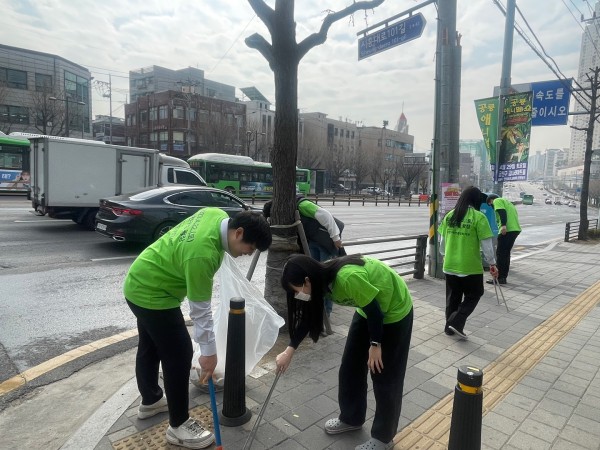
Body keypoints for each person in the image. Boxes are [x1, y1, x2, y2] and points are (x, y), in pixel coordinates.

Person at [123, 208, 271, 449]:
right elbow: (200, 311)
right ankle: (179, 426)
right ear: (239, 233)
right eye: (250, 248)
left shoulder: (215, 214)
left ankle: (151, 401)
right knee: (179, 355)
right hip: (154, 293)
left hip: (140, 278)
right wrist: (209, 354)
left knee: (150, 346)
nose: (248, 254)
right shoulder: (203, 255)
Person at [276, 254, 413, 450]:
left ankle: (384, 437)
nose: (298, 295)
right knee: (350, 367)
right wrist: (289, 351)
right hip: (367, 310)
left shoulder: (347, 278)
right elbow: (308, 318)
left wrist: (375, 345)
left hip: (394, 311)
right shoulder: (319, 282)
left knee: (385, 375)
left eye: (296, 290)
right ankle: (351, 418)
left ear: (307, 280)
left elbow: (376, 311)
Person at [263, 195, 344, 317]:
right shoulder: (292, 210)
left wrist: (336, 238)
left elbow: (325, 215)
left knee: (325, 278)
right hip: (313, 241)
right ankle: (316, 310)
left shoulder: (302, 205)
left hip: (326, 241)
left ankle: (326, 313)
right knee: (313, 276)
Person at [439, 186, 498, 339]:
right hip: (470, 266)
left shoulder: (450, 215)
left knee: (453, 297)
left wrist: (445, 256)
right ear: (476, 200)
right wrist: (492, 264)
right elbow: (487, 245)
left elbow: (442, 243)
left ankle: (449, 327)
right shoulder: (478, 217)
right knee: (475, 293)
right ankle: (456, 322)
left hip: (450, 264)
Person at [485, 193, 521, 285]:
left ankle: (499, 278)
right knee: (505, 254)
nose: (491, 206)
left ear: (492, 200)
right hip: (514, 230)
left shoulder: (497, 201)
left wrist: (504, 226)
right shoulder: (509, 203)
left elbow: (502, 212)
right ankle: (503, 278)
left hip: (507, 230)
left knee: (500, 254)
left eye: (490, 203)